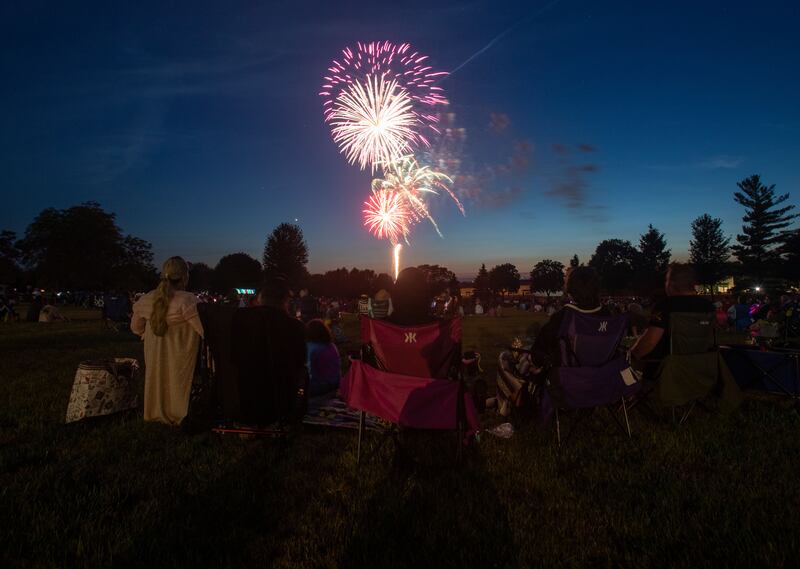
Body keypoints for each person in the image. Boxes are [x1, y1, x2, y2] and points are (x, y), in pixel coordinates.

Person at [131, 256, 204, 425]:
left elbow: (135, 327)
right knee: (176, 379)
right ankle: (177, 410)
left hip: (154, 349)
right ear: (185, 277)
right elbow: (202, 330)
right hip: (179, 351)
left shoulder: (146, 299)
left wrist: (147, 333)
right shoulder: (187, 300)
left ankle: (155, 409)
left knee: (157, 378)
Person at [631, 263, 714, 362]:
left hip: (669, 369)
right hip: (702, 367)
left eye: (666, 280)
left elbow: (648, 343)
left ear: (672, 283)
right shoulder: (708, 306)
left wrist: (630, 355)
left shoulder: (665, 306)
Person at [531, 266, 609, 368]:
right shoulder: (607, 315)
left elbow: (538, 349)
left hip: (571, 376)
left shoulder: (564, 317)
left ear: (571, 290)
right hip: (602, 371)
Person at [306, 319, 342, 396]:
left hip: (317, 388)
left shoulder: (310, 348)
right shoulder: (332, 347)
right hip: (335, 384)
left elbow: (308, 370)